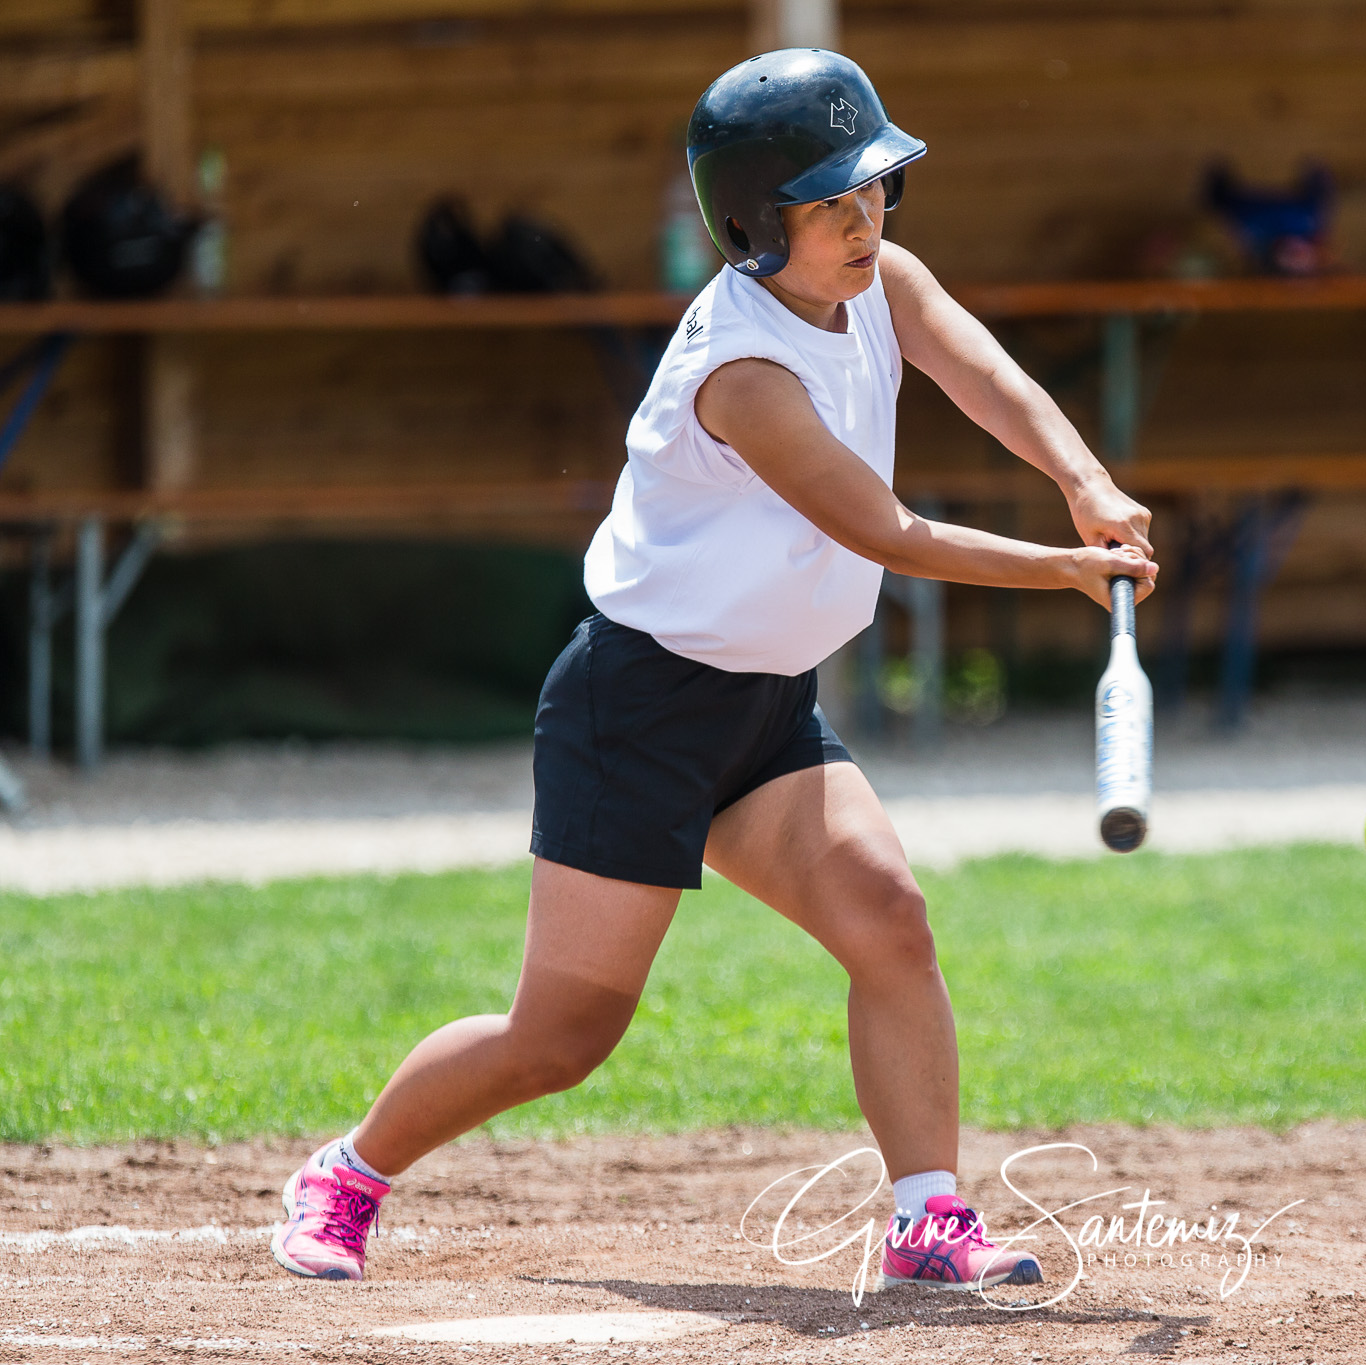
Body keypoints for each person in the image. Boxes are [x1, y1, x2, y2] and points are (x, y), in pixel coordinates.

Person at [270, 48, 1156, 1290]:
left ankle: (928, 1218)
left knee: (891, 924)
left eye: (875, 192)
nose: (865, 223)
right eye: (831, 204)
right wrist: (1064, 569)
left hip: (765, 705)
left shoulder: (883, 282)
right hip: (636, 707)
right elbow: (884, 533)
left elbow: (988, 379)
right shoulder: (741, 377)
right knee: (564, 1035)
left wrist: (1083, 480)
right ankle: (346, 1174)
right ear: (751, 227)